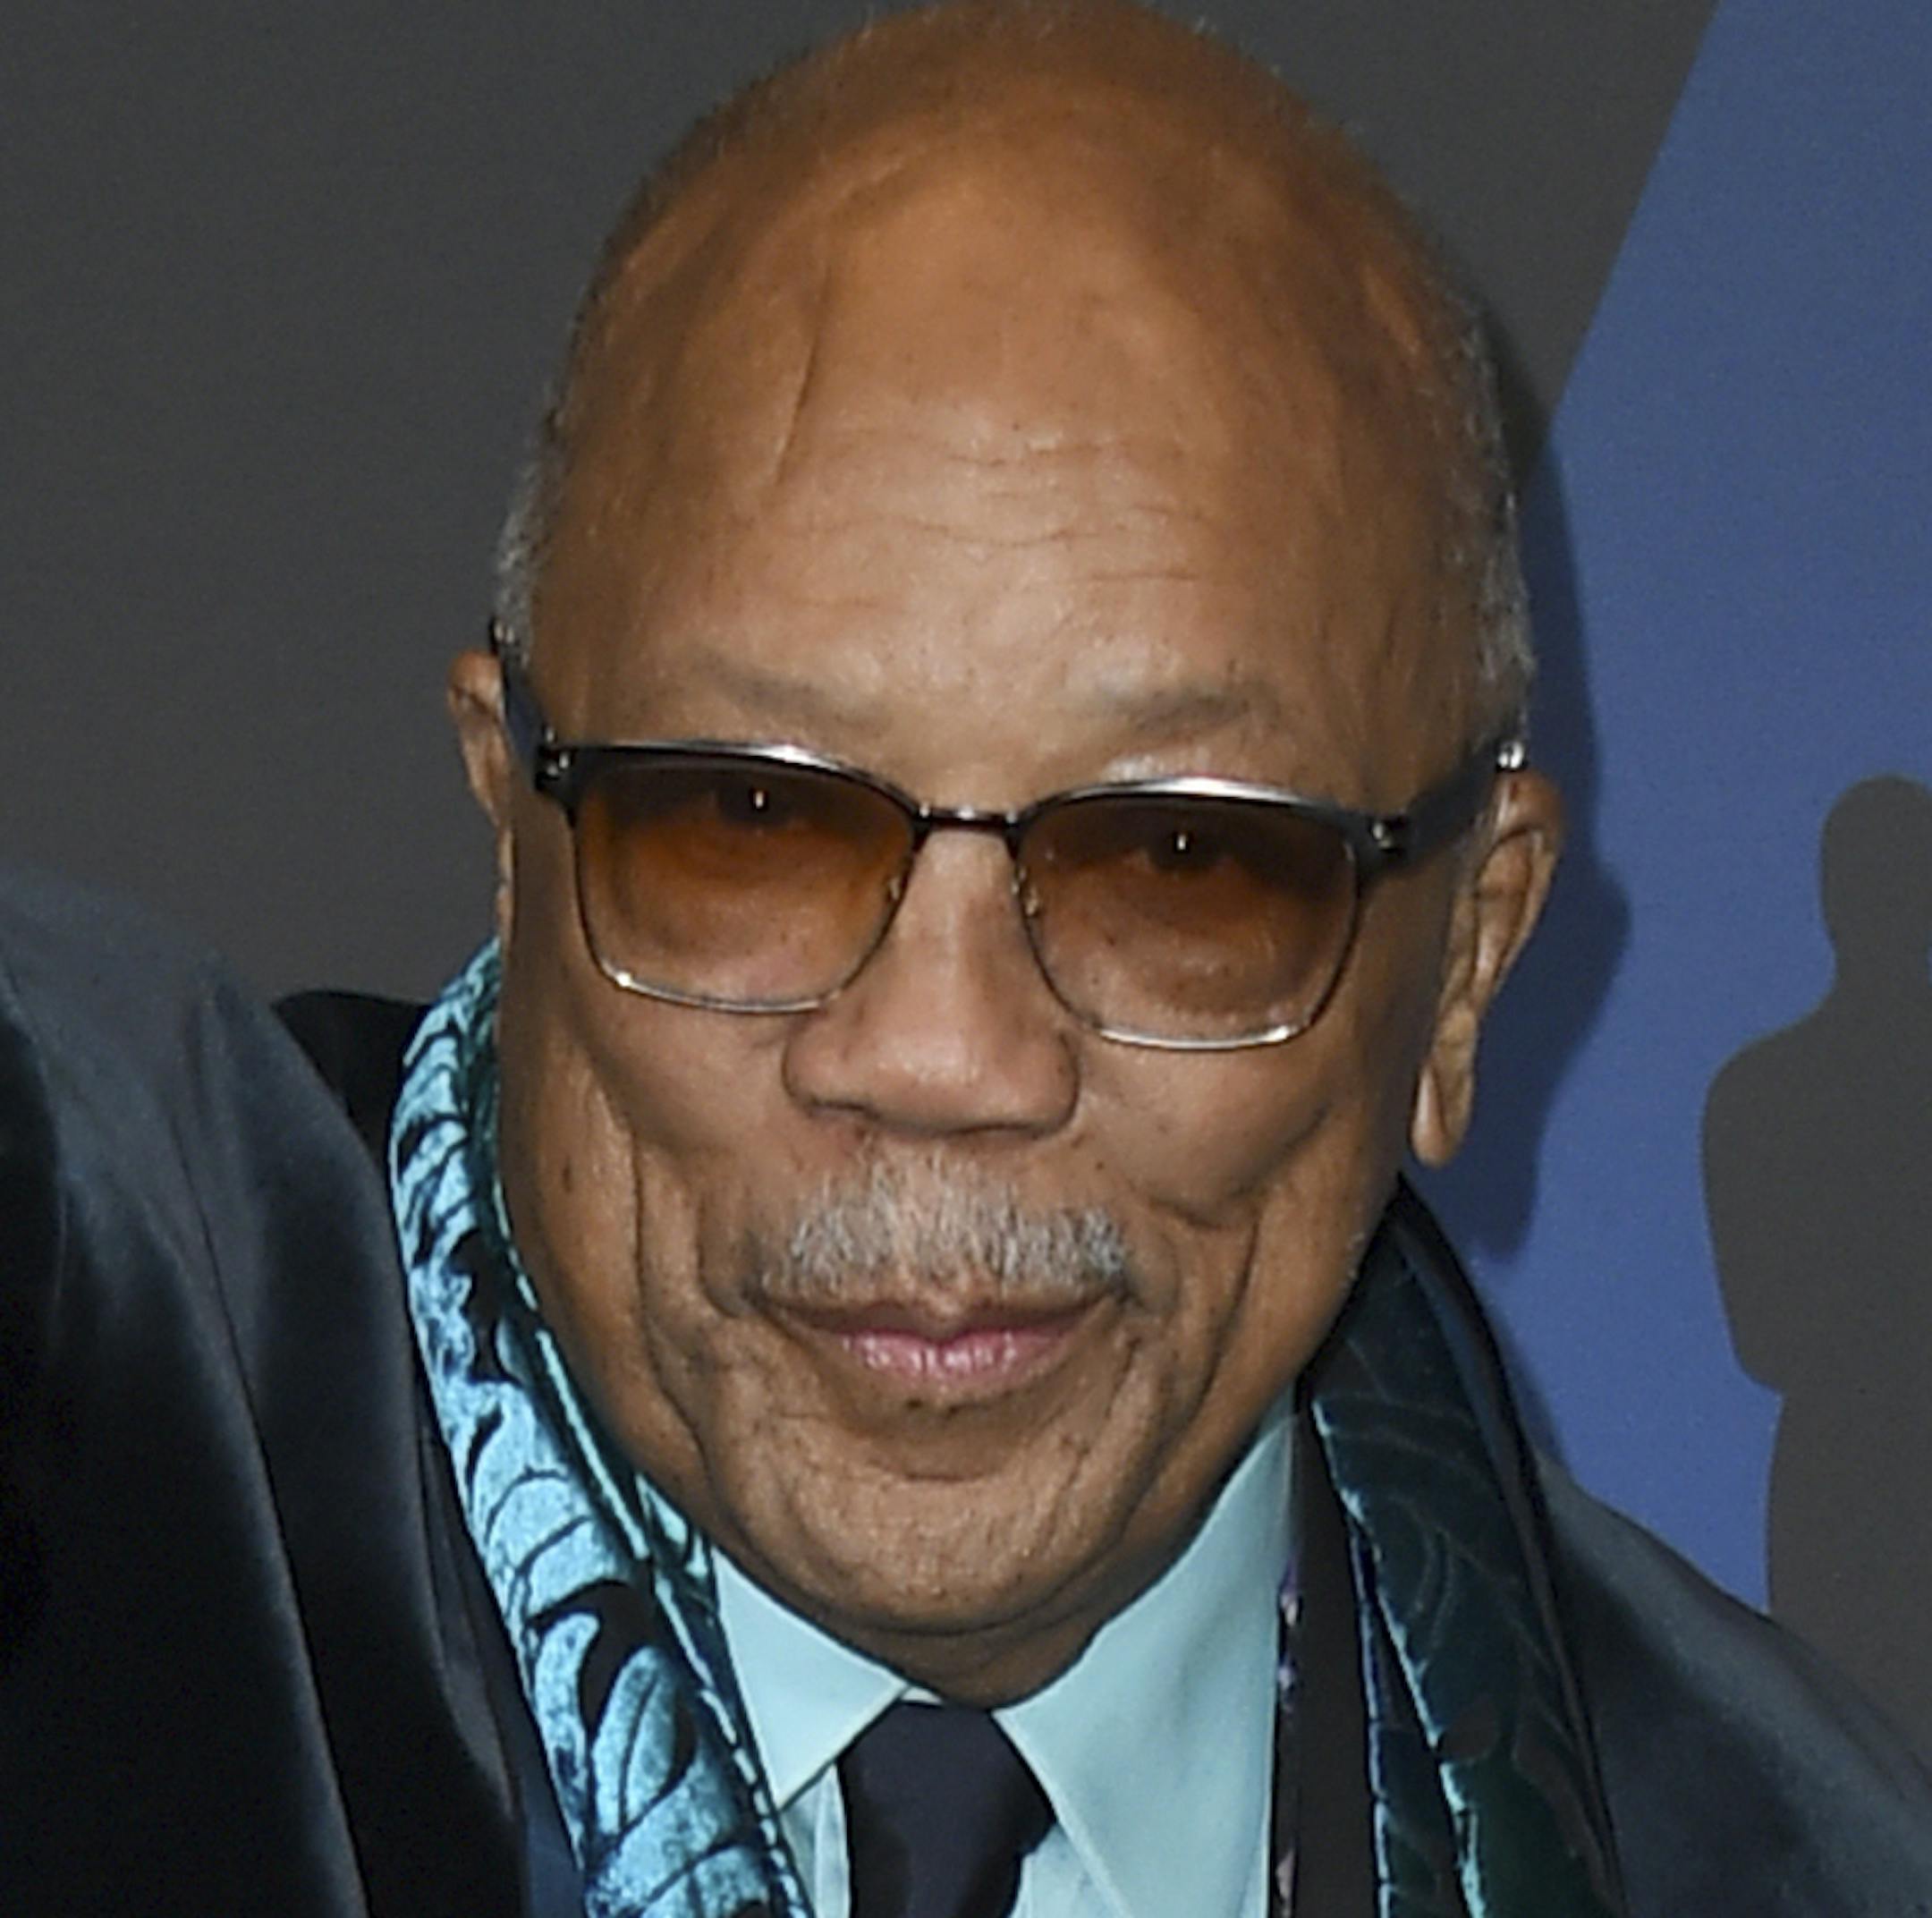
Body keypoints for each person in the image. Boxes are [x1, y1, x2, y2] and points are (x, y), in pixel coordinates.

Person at [3, 3, 1928, 1914]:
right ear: (515, 832)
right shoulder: (106, 1441)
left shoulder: (1781, 1859)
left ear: (1467, 962)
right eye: (750, 820)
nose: (938, 1052)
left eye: (1183, 861)